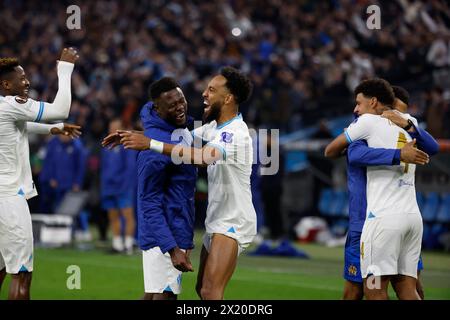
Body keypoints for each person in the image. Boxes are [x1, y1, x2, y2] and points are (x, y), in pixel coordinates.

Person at [104, 66, 256, 300]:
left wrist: (149, 143)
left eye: (212, 90)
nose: (204, 94)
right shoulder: (214, 128)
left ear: (228, 98)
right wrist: (132, 134)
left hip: (233, 219)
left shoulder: (235, 132)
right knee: (201, 290)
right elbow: (177, 137)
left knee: (209, 291)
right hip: (216, 219)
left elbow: (203, 158)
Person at [325, 83, 438, 300]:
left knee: (374, 289)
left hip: (379, 222)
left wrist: (400, 145)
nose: (394, 115)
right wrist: (400, 148)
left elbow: (337, 151)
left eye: (400, 111)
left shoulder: (370, 123)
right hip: (407, 219)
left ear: (374, 102)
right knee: (405, 287)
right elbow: (432, 147)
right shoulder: (404, 125)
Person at [105, 77, 197, 300]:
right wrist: (172, 248)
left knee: (152, 295)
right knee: (165, 296)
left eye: (181, 100)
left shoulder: (176, 129)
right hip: (165, 234)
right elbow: (148, 203)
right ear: (158, 108)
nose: (180, 107)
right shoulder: (153, 150)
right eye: (172, 105)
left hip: (173, 229)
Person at [0, 48, 79, 299]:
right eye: (21, 78)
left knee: (1, 269)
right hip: (9, 198)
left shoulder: (3, 108)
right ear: (6, 84)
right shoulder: (13, 104)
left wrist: (51, 130)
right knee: (22, 274)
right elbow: (61, 109)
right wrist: (65, 69)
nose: (27, 82)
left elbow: (17, 126)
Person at [101, 118, 137, 254]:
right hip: (109, 187)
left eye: (115, 128)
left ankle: (128, 244)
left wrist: (125, 185)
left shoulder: (126, 145)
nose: (112, 130)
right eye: (111, 127)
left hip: (123, 187)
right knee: (113, 215)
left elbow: (130, 168)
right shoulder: (107, 146)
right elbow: (104, 168)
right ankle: (117, 244)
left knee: (127, 215)